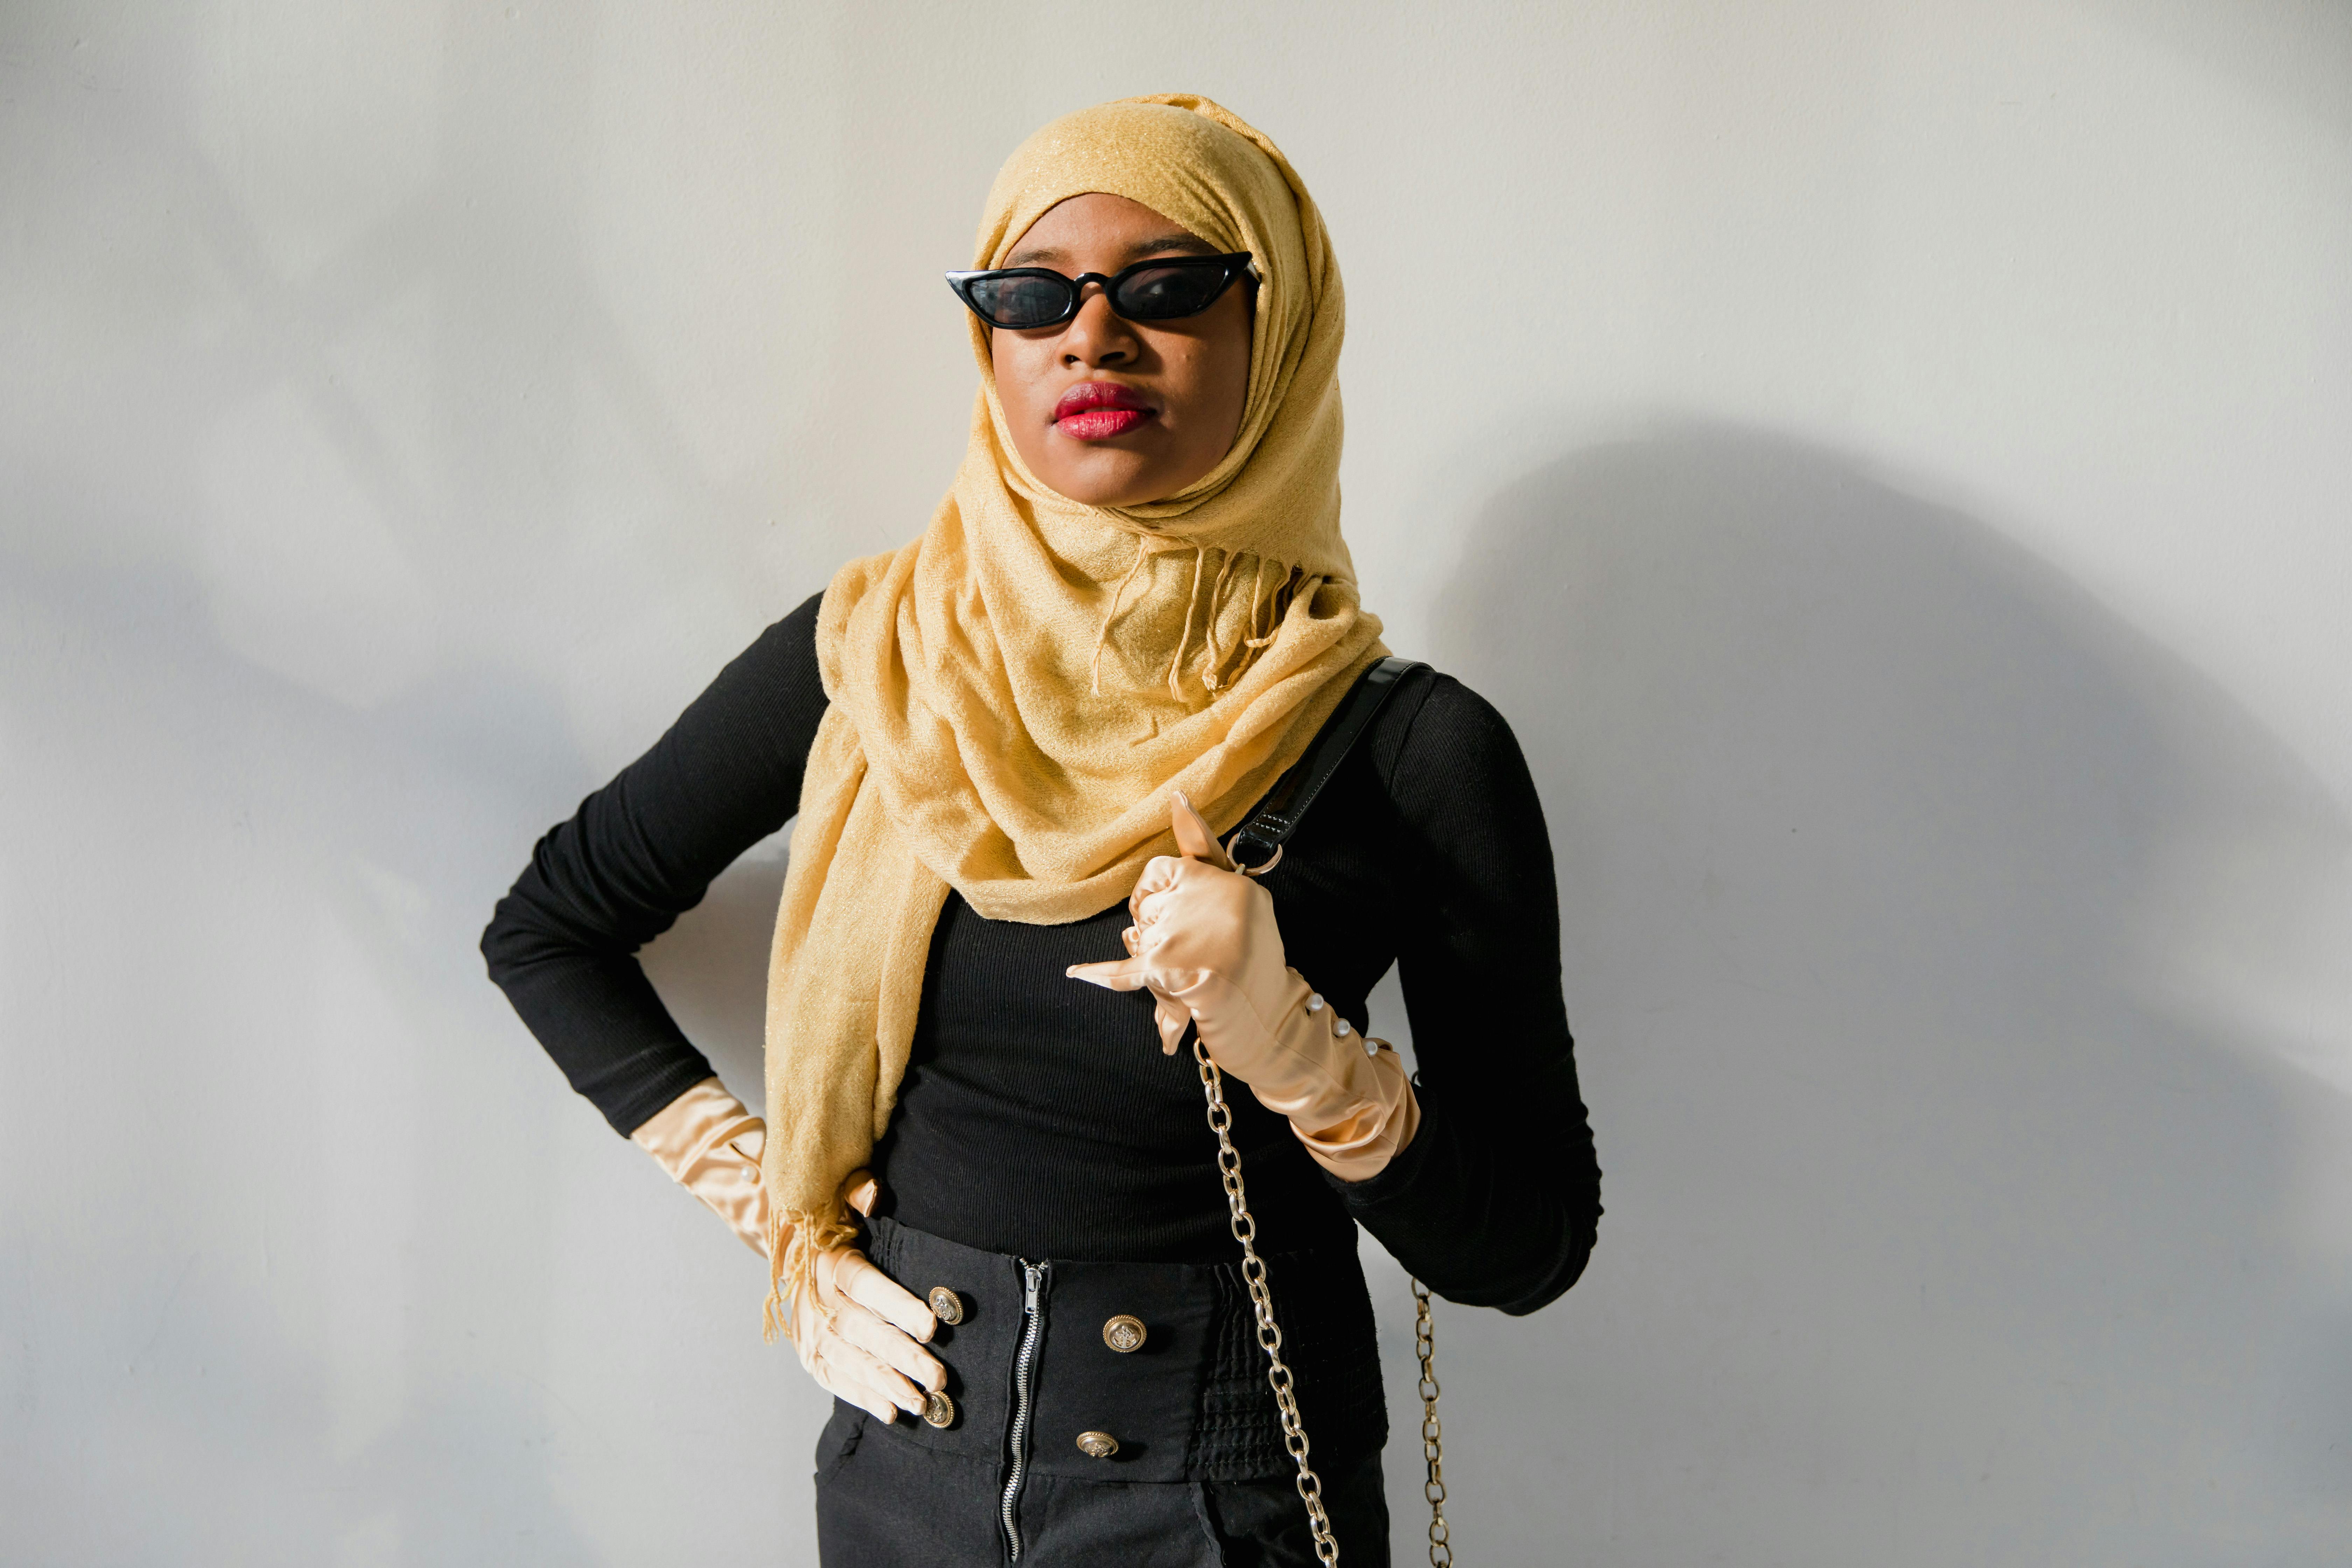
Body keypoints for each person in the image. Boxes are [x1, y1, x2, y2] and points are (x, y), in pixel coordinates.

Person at [482, 93, 1600, 1567]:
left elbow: (1529, 1247)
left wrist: (1295, 1048)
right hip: (903, 1468)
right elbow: (550, 930)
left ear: (1278, 329)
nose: (1092, 337)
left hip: (1224, 1492)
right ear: (990, 344)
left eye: (1169, 286)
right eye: (1031, 297)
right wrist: (785, 1234)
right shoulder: (877, 659)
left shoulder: (1410, 750)